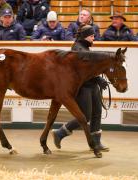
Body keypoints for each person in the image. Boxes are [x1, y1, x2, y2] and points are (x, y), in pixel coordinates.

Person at [51, 25, 109, 158]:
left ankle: (96, 142)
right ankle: (60, 133)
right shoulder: (77, 49)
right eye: (92, 36)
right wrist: (98, 79)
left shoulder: (85, 48)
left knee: (97, 112)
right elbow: (83, 72)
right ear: (85, 36)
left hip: (92, 85)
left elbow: (91, 69)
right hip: (82, 87)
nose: (94, 38)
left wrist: (98, 79)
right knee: (85, 116)